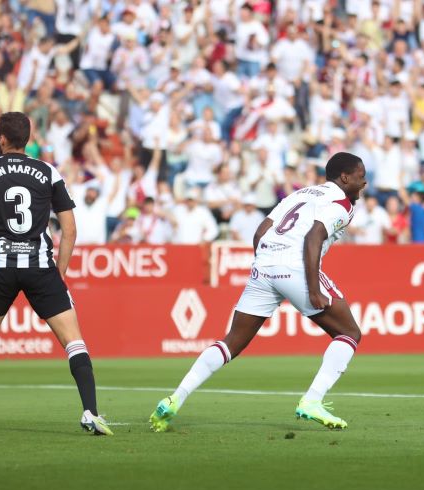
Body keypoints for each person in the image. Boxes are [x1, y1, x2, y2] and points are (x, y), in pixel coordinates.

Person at [149, 152, 367, 432]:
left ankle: (174, 398)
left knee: (232, 342)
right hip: (297, 264)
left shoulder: (299, 194)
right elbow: (314, 237)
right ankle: (312, 401)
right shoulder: (341, 203)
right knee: (349, 333)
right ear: (345, 177)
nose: (364, 183)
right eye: (361, 176)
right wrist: (313, 289)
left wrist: (265, 270)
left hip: (264, 264)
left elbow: (260, 231)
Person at [0, 112, 112, 437]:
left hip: (0, 266)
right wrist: (58, 272)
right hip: (40, 266)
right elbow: (69, 230)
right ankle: (91, 413)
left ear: (1, 138)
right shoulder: (48, 171)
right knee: (74, 341)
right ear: (28, 138)